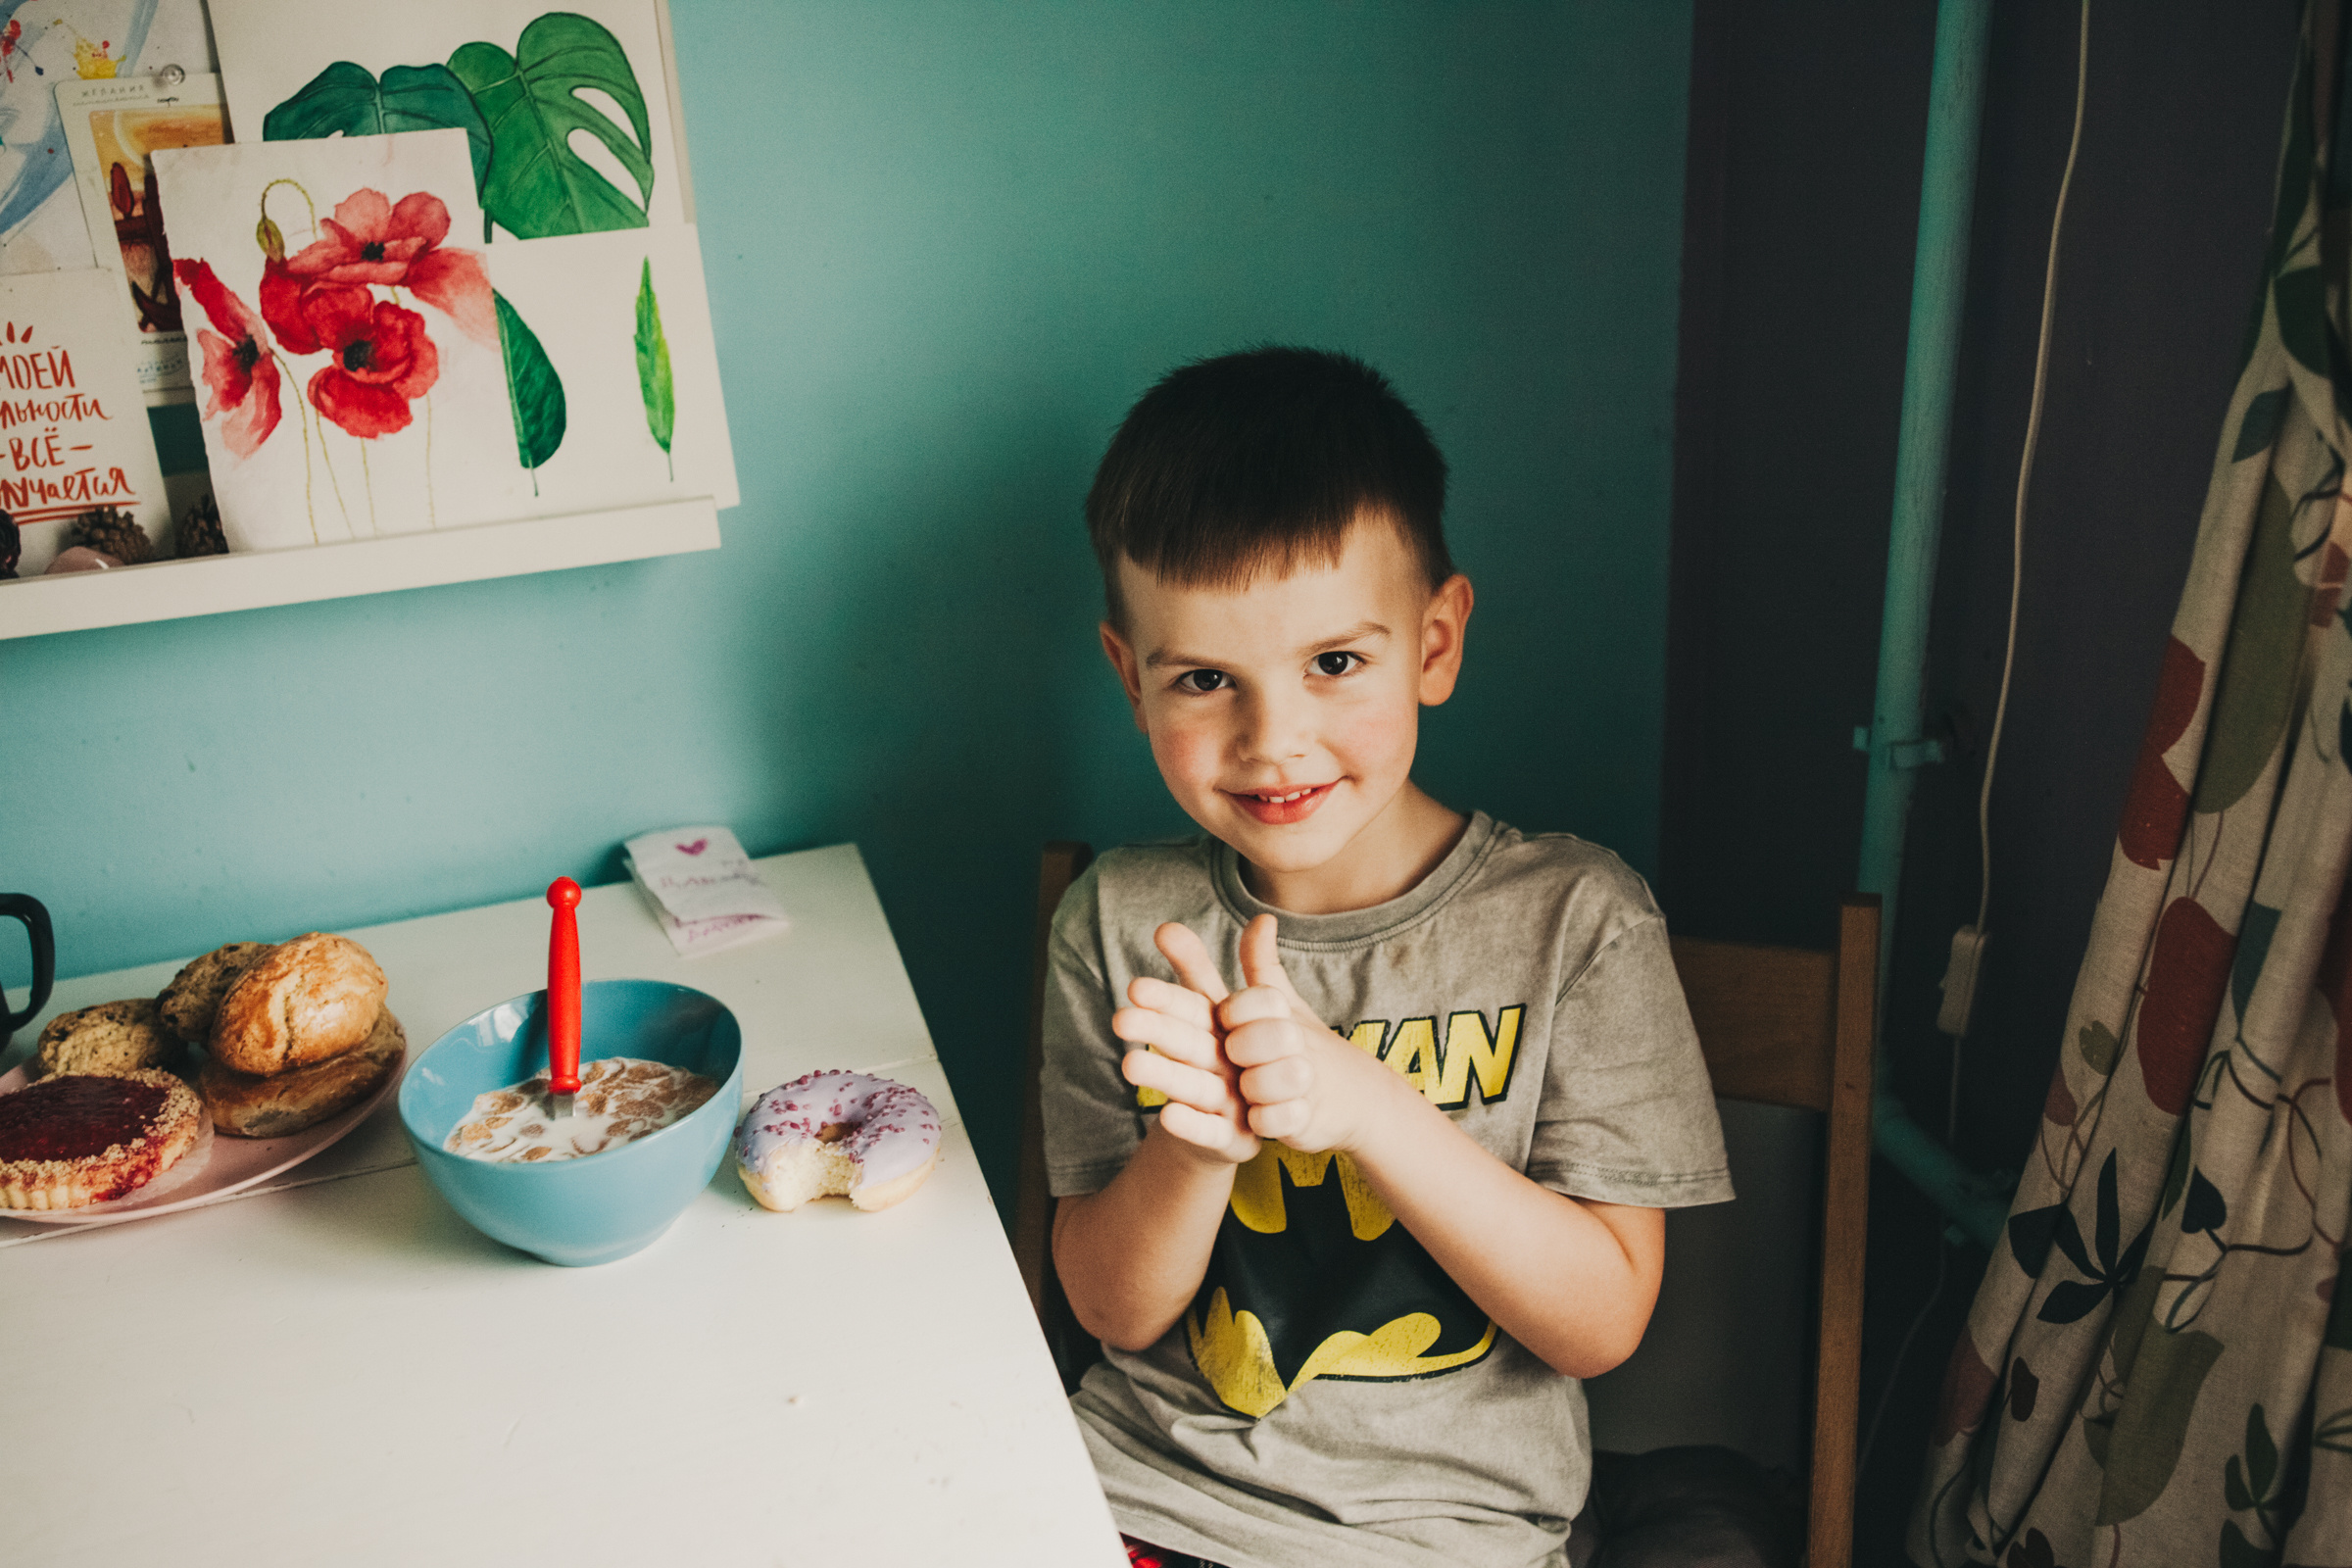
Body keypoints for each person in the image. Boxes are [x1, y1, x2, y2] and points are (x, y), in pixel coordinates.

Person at [1041, 346, 1733, 1568]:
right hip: (1135, 1507)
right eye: (1205, 679)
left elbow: (1603, 1322)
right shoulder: (1117, 919)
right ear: (1129, 680)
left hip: (1442, 1542)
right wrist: (1197, 1145)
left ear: (1435, 643)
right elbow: (1110, 1309)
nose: (1273, 740)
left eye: (1335, 664)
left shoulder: (1579, 920)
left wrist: (1364, 1103)